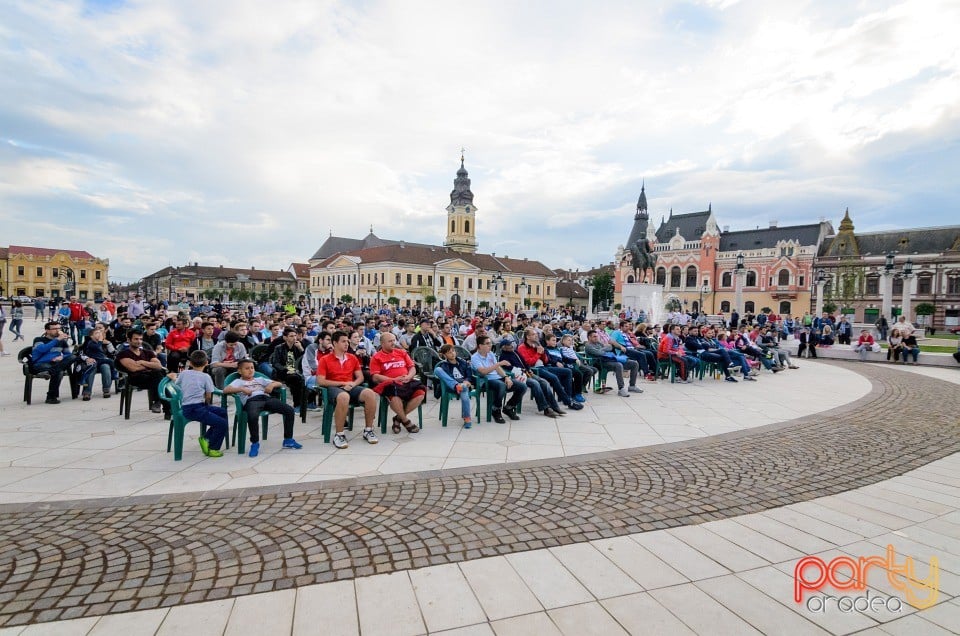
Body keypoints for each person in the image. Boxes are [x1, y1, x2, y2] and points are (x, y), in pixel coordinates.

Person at [224, 359, 302, 457]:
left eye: (252, 368)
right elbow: (226, 390)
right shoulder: (238, 381)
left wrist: (271, 385)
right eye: (247, 368)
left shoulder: (259, 379)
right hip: (252, 401)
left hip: (266, 398)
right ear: (240, 371)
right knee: (252, 416)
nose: (250, 370)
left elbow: (279, 383)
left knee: (289, 410)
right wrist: (241, 389)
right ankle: (255, 443)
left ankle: (288, 440)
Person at [316, 331, 380, 449]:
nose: (347, 344)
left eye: (347, 341)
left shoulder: (352, 358)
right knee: (344, 397)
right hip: (333, 388)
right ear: (335, 343)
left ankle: (368, 430)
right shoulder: (325, 359)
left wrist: (352, 384)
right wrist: (342, 383)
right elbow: (321, 381)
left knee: (370, 394)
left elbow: (360, 377)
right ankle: (339, 434)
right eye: (343, 341)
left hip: (350, 386)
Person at [168, 351, 228, 457]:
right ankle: (212, 448)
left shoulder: (184, 373)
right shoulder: (206, 377)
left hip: (187, 407)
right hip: (196, 409)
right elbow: (208, 395)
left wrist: (173, 377)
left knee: (222, 412)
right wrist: (207, 405)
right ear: (206, 363)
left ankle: (207, 438)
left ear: (190, 363)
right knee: (222, 423)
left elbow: (177, 383)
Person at [370, 332, 426, 434]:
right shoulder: (376, 357)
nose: (393, 343)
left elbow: (412, 368)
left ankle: (398, 419)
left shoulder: (402, 353)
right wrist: (393, 380)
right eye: (390, 341)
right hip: (390, 383)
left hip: (407, 380)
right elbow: (375, 377)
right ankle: (406, 421)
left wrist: (409, 376)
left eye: (394, 340)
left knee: (421, 392)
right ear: (382, 343)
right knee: (395, 396)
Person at [499, 335, 563, 418]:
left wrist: (528, 369)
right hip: (517, 376)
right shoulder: (503, 356)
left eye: (511, 344)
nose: (511, 346)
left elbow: (524, 362)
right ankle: (545, 408)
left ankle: (554, 406)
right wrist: (521, 370)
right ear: (504, 348)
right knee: (535, 383)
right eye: (508, 345)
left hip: (527, 373)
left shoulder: (515, 352)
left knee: (543, 382)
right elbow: (507, 368)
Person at [471, 335, 527, 423]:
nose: (490, 345)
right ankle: (496, 410)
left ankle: (509, 407)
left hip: (497, 378)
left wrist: (506, 377)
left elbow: (498, 369)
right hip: (485, 380)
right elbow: (483, 372)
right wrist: (498, 364)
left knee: (522, 386)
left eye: (490, 343)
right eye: (487, 344)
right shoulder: (475, 357)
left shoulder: (491, 354)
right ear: (480, 346)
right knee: (501, 385)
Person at [116, 330, 168, 414]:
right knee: (160, 379)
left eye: (140, 339)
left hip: (151, 377)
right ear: (129, 340)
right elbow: (133, 368)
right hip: (135, 378)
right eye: (136, 339)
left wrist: (142, 362)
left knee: (158, 375)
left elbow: (158, 365)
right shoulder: (123, 354)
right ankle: (163, 406)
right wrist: (150, 364)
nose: (139, 341)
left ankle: (163, 406)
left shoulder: (147, 352)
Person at [29, 321, 76, 404]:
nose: (57, 330)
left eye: (59, 328)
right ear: (47, 330)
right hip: (41, 364)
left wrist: (62, 357)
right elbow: (43, 349)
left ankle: (51, 396)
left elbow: (68, 354)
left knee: (73, 357)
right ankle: (51, 397)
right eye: (54, 329)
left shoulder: (62, 342)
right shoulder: (39, 340)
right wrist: (57, 339)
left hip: (55, 364)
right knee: (59, 371)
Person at [584, 329, 641, 397]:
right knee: (618, 365)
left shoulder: (598, 343)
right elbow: (599, 353)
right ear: (589, 337)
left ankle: (632, 386)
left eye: (597, 336)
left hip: (611, 360)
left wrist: (602, 350)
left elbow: (610, 347)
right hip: (599, 363)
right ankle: (621, 388)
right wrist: (603, 350)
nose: (596, 338)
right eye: (594, 337)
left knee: (634, 364)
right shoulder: (588, 346)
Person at [434, 343, 475, 428]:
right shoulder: (444, 365)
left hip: (463, 385)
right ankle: (457, 386)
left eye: (453, 351)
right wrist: (457, 384)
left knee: (463, 390)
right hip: (452, 387)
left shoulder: (463, 362)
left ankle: (467, 417)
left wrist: (466, 382)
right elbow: (447, 378)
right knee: (437, 369)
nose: (452, 353)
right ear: (445, 355)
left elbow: (469, 375)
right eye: (449, 352)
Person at [269, 327, 306, 409]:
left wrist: (301, 349)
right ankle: (297, 405)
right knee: (295, 379)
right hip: (283, 371)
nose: (294, 338)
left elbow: (304, 360)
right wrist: (286, 369)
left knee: (303, 378)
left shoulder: (298, 346)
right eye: (291, 336)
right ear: (285, 337)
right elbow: (275, 363)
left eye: (295, 336)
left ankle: (307, 403)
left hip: (296, 371)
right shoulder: (279, 348)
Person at [79, 326, 117, 399]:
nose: (99, 334)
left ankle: (106, 390)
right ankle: (87, 392)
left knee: (106, 366)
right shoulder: (90, 343)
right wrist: (87, 358)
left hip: (103, 362)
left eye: (101, 333)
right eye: (97, 333)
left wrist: (109, 344)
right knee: (92, 369)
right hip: (93, 362)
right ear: (91, 336)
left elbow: (114, 353)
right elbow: (81, 353)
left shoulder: (107, 342)